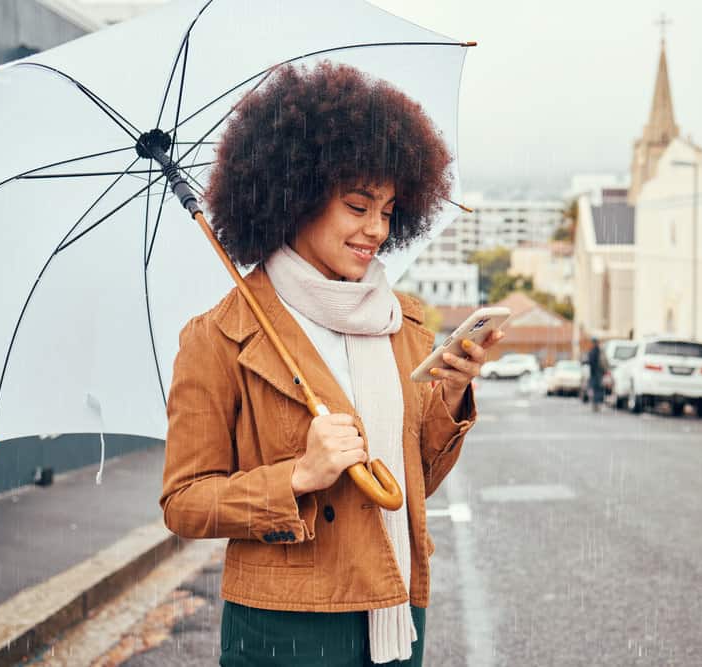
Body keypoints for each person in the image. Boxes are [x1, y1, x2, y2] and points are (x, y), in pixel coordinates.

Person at [159, 61, 503, 667]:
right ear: (296, 195)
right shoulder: (220, 337)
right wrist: (297, 476)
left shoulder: (404, 322)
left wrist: (448, 397)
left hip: (397, 611)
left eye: (389, 210)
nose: (376, 230)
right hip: (285, 629)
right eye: (357, 206)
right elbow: (184, 502)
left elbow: (408, 482)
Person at [584, 337, 604, 412]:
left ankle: (596, 404)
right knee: (598, 389)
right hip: (598, 372)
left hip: (595, 373)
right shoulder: (599, 350)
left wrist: (586, 362)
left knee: (595, 388)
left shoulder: (594, 351)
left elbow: (591, 361)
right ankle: (597, 404)